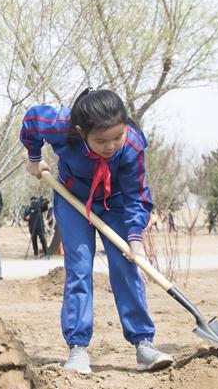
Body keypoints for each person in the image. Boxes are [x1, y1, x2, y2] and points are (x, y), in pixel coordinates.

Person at [21, 88, 173, 374]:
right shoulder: (61, 126)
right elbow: (32, 120)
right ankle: (78, 348)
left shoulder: (132, 145)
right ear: (81, 132)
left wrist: (135, 238)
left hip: (115, 204)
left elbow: (136, 196)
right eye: (101, 140)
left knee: (126, 267)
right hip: (73, 200)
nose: (111, 146)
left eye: (117, 137)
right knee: (79, 269)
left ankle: (143, 344)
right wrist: (33, 157)